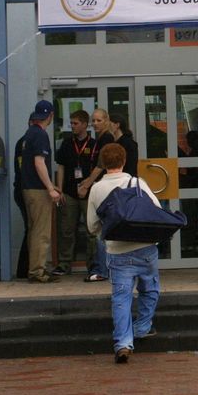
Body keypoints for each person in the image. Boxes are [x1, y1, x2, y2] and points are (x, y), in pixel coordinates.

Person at [86, 143, 159, 364]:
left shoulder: (96, 189)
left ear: (103, 162)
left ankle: (123, 344)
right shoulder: (137, 183)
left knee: (121, 297)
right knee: (150, 289)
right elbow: (156, 209)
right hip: (144, 247)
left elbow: (92, 226)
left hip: (117, 251)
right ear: (124, 160)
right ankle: (142, 327)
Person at [19, 99, 62, 283]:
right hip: (38, 190)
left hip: (28, 188)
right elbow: (39, 162)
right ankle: (38, 271)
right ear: (50, 115)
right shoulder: (40, 134)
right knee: (41, 231)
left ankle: (34, 268)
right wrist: (50, 188)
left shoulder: (29, 133)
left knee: (34, 229)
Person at [52, 110, 94, 277]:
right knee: (67, 229)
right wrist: (59, 189)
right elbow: (61, 166)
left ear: (85, 124)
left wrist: (89, 186)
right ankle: (64, 263)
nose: (73, 126)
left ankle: (93, 265)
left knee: (91, 231)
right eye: (71, 123)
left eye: (76, 123)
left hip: (88, 193)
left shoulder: (93, 144)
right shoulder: (67, 143)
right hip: (69, 192)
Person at [79, 108, 114, 282]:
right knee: (100, 228)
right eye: (93, 120)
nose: (95, 123)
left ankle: (101, 269)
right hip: (100, 186)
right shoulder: (100, 139)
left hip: (103, 188)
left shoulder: (107, 138)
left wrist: (87, 184)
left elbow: (101, 165)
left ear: (107, 120)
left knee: (100, 229)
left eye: (99, 120)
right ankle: (101, 267)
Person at [12, 123, 30, 279]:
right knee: (31, 229)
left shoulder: (23, 141)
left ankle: (24, 269)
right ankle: (24, 269)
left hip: (22, 189)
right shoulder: (26, 142)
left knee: (30, 228)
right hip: (25, 190)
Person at [109, 112, 139, 177]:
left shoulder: (129, 143)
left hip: (126, 178)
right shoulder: (112, 142)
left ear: (117, 125)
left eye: (109, 124)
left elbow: (131, 167)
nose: (107, 128)